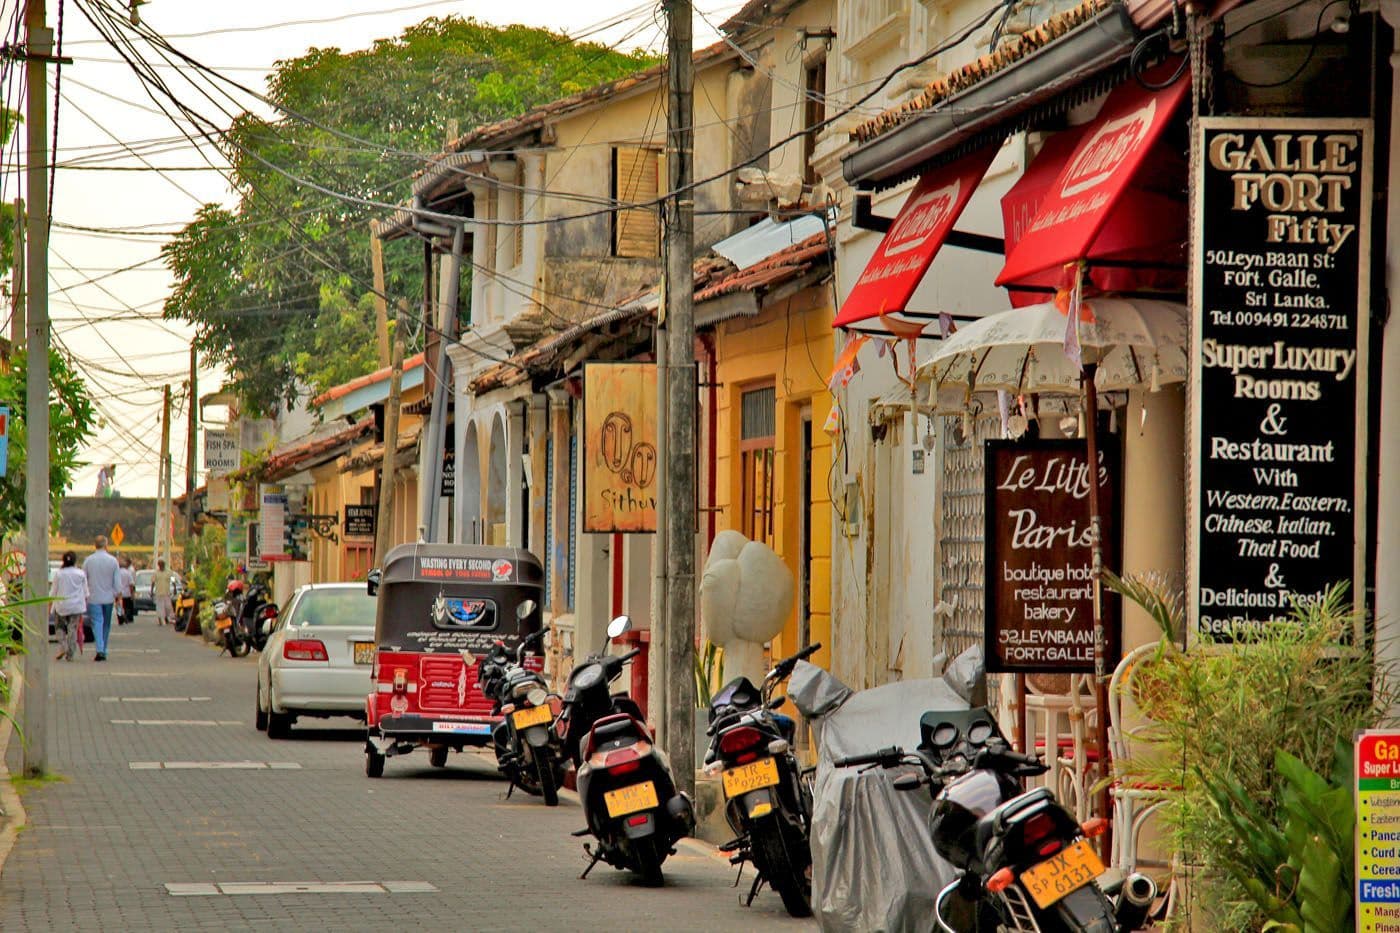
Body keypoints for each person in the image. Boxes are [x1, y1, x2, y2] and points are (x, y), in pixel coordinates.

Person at [82, 535, 122, 662]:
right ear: (106, 545)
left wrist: (84, 595)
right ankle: (103, 649)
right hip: (108, 598)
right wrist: (118, 596)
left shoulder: (88, 561)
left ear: (95, 545)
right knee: (106, 624)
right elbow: (117, 582)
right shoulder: (113, 561)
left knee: (97, 623)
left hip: (93, 598)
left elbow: (84, 580)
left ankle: (100, 649)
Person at [49, 551, 88, 662]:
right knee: (72, 628)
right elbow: (85, 592)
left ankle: (63, 645)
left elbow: (53, 591)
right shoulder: (81, 573)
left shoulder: (59, 574)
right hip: (76, 606)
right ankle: (70, 653)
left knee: (59, 628)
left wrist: (49, 604)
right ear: (75, 560)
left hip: (61, 605)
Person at [151, 559, 175, 625]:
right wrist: (151, 591)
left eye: (162, 564)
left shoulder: (169, 572)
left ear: (164, 565)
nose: (161, 566)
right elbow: (153, 582)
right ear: (158, 565)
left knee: (168, 607)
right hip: (158, 593)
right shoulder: (156, 573)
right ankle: (160, 620)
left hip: (166, 593)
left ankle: (166, 618)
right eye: (160, 565)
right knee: (159, 607)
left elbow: (173, 580)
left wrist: (175, 588)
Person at [117, 557, 136, 625]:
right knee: (127, 607)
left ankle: (120, 619)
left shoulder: (117, 573)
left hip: (119, 593)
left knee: (119, 606)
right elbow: (131, 584)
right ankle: (127, 617)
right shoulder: (128, 573)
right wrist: (132, 593)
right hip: (127, 593)